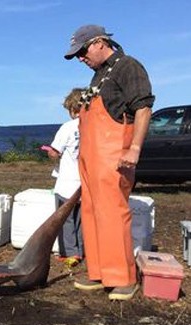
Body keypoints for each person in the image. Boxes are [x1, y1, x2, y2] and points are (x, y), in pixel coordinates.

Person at [64, 24, 154, 300]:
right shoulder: (99, 76)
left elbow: (143, 108)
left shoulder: (128, 66)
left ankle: (123, 277)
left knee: (113, 213)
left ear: (99, 42)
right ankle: (99, 272)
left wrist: (135, 148)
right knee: (91, 213)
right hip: (91, 157)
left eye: (82, 51)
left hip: (114, 154)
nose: (80, 58)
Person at [40, 88, 84, 268]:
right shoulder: (93, 126)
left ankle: (69, 253)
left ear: (73, 109)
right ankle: (81, 250)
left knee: (65, 219)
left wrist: (50, 152)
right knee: (81, 219)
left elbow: (55, 152)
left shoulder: (68, 127)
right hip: (84, 183)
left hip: (67, 182)